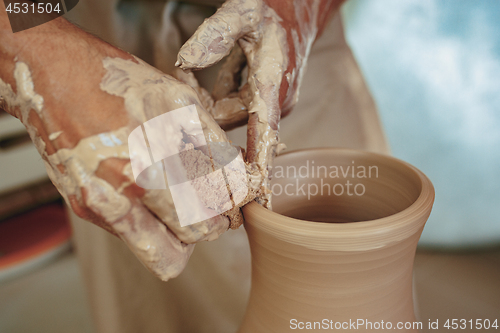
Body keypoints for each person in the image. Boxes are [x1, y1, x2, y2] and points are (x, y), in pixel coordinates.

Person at [0, 0, 388, 332]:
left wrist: (296, 11)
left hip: (282, 37)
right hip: (90, 39)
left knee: (348, 283)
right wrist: (38, 52)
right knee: (159, 299)